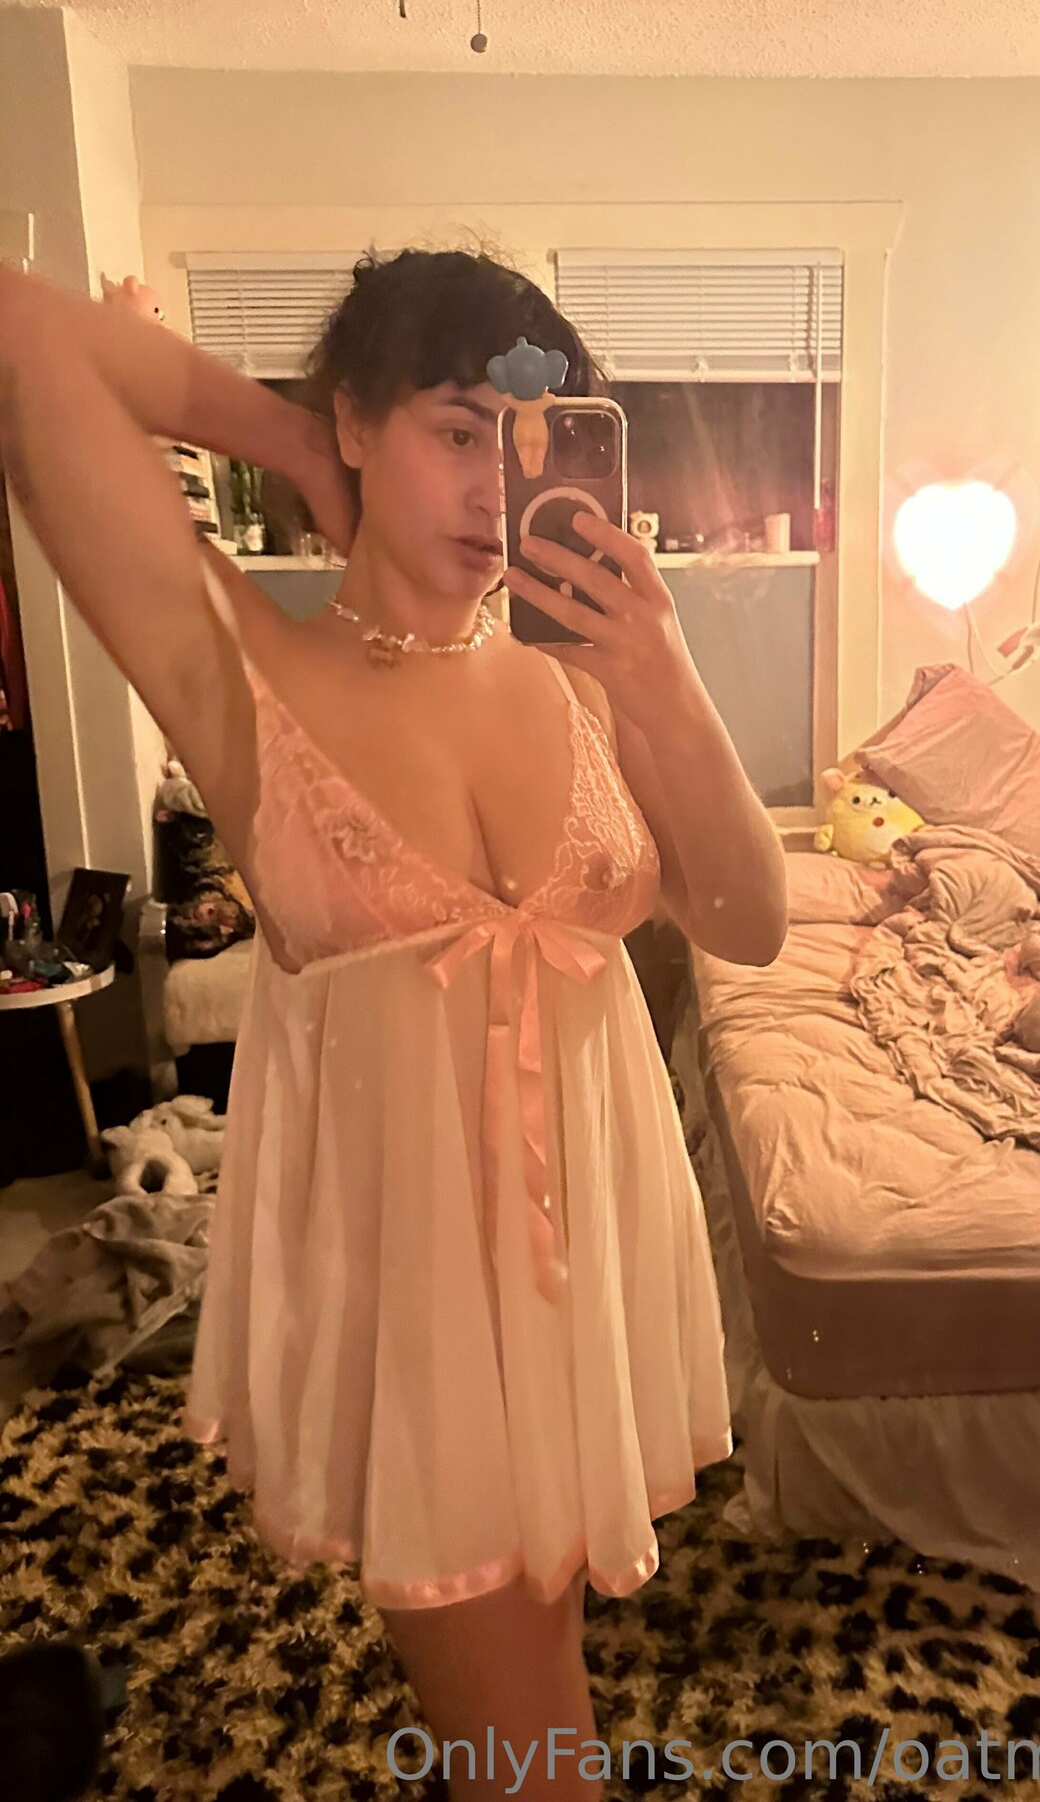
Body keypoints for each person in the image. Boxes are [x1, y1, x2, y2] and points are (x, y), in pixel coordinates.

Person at [0, 248, 788, 1799]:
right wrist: (289, 436)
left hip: (583, 1284)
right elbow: (27, 341)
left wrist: (667, 677)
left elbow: (750, 920)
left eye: (530, 437)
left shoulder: (580, 681)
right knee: (533, 1755)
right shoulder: (244, 668)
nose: (499, 483)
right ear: (358, 421)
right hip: (418, 1311)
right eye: (456, 427)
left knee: (536, 1681)